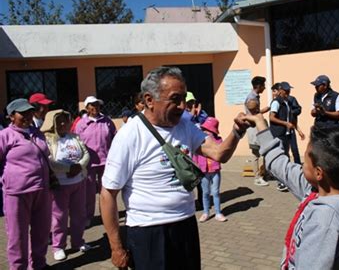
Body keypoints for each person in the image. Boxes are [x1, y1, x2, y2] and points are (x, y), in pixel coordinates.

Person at [100, 66, 249, 269]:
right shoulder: (129, 135)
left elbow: (219, 153)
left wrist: (237, 131)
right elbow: (108, 194)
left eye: (184, 100)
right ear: (149, 100)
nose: (182, 106)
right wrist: (116, 248)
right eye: (175, 99)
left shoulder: (185, 126)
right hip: (149, 231)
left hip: (185, 224)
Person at [243, 112, 339, 269]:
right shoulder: (318, 190)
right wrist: (260, 123)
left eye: (305, 161)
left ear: (318, 173)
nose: (301, 165)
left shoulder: (324, 223)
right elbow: (280, 165)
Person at [0, 98, 52, 269]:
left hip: (42, 190)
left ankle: (38, 264)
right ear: (11, 116)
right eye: (22, 113)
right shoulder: (5, 136)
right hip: (17, 193)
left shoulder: (37, 133)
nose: (28, 116)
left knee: (41, 232)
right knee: (18, 237)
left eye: (30, 112)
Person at [41, 110, 91, 261]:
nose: (63, 124)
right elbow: (50, 161)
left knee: (79, 214)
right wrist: (70, 168)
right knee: (59, 217)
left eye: (65, 120)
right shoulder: (48, 140)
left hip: (78, 182)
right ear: (52, 123)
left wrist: (79, 167)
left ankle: (77, 242)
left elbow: (86, 154)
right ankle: (58, 246)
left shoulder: (74, 137)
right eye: (59, 121)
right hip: (60, 185)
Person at [74, 96, 116, 225]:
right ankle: (88, 216)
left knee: (106, 190)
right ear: (87, 108)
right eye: (92, 105)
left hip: (105, 161)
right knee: (89, 192)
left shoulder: (107, 121)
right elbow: (77, 142)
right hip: (89, 163)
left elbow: (115, 137)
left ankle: (106, 214)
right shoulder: (81, 124)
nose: (95, 107)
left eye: (97, 105)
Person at [193, 117, 227, 222]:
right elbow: (195, 155)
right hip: (204, 171)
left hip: (215, 170)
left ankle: (218, 213)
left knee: (216, 192)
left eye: (208, 130)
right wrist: (196, 165)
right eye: (204, 129)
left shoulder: (218, 140)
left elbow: (221, 151)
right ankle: (206, 212)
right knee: (205, 192)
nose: (206, 131)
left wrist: (212, 140)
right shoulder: (199, 141)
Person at [245, 77, 271, 186]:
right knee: (256, 154)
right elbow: (254, 113)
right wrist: (264, 110)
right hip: (254, 129)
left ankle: (264, 173)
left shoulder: (255, 97)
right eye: (263, 85)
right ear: (259, 86)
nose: (264, 88)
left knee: (264, 151)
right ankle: (257, 177)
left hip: (257, 128)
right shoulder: (251, 98)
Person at [270, 82, 295, 192]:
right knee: (281, 158)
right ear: (280, 91)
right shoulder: (276, 102)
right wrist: (285, 123)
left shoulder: (287, 102)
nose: (288, 93)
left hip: (286, 133)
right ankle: (280, 182)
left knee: (286, 156)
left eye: (289, 90)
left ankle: (285, 180)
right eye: (286, 91)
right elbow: (272, 118)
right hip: (279, 133)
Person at [287, 89, 305, 164]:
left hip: (290, 130)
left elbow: (292, 119)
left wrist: (299, 131)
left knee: (294, 149)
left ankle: (298, 166)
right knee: (284, 150)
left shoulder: (291, 100)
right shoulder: (277, 103)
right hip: (281, 131)